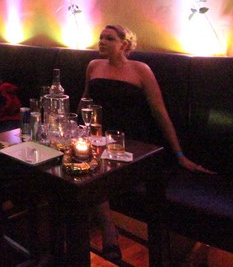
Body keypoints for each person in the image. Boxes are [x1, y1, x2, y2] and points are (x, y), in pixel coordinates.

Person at [79, 24, 213, 261]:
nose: (102, 42)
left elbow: (159, 112)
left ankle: (108, 232)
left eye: (109, 38)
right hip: (98, 137)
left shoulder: (140, 69)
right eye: (101, 37)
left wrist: (179, 155)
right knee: (79, 161)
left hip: (132, 141)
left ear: (124, 44)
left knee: (93, 168)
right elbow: (85, 100)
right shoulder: (93, 66)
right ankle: (99, 231)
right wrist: (75, 127)